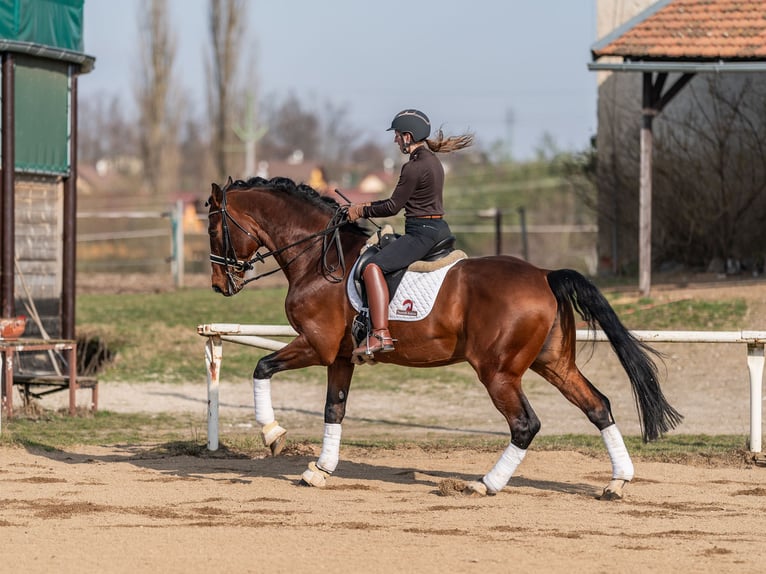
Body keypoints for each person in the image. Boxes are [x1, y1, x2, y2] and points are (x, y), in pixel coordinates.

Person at [347, 109, 474, 356]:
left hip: (421, 233)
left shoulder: (414, 167)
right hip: (437, 228)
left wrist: (361, 210)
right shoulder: (433, 161)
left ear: (408, 136)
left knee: (373, 267)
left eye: (397, 135)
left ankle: (380, 333)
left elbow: (393, 206)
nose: (395, 140)